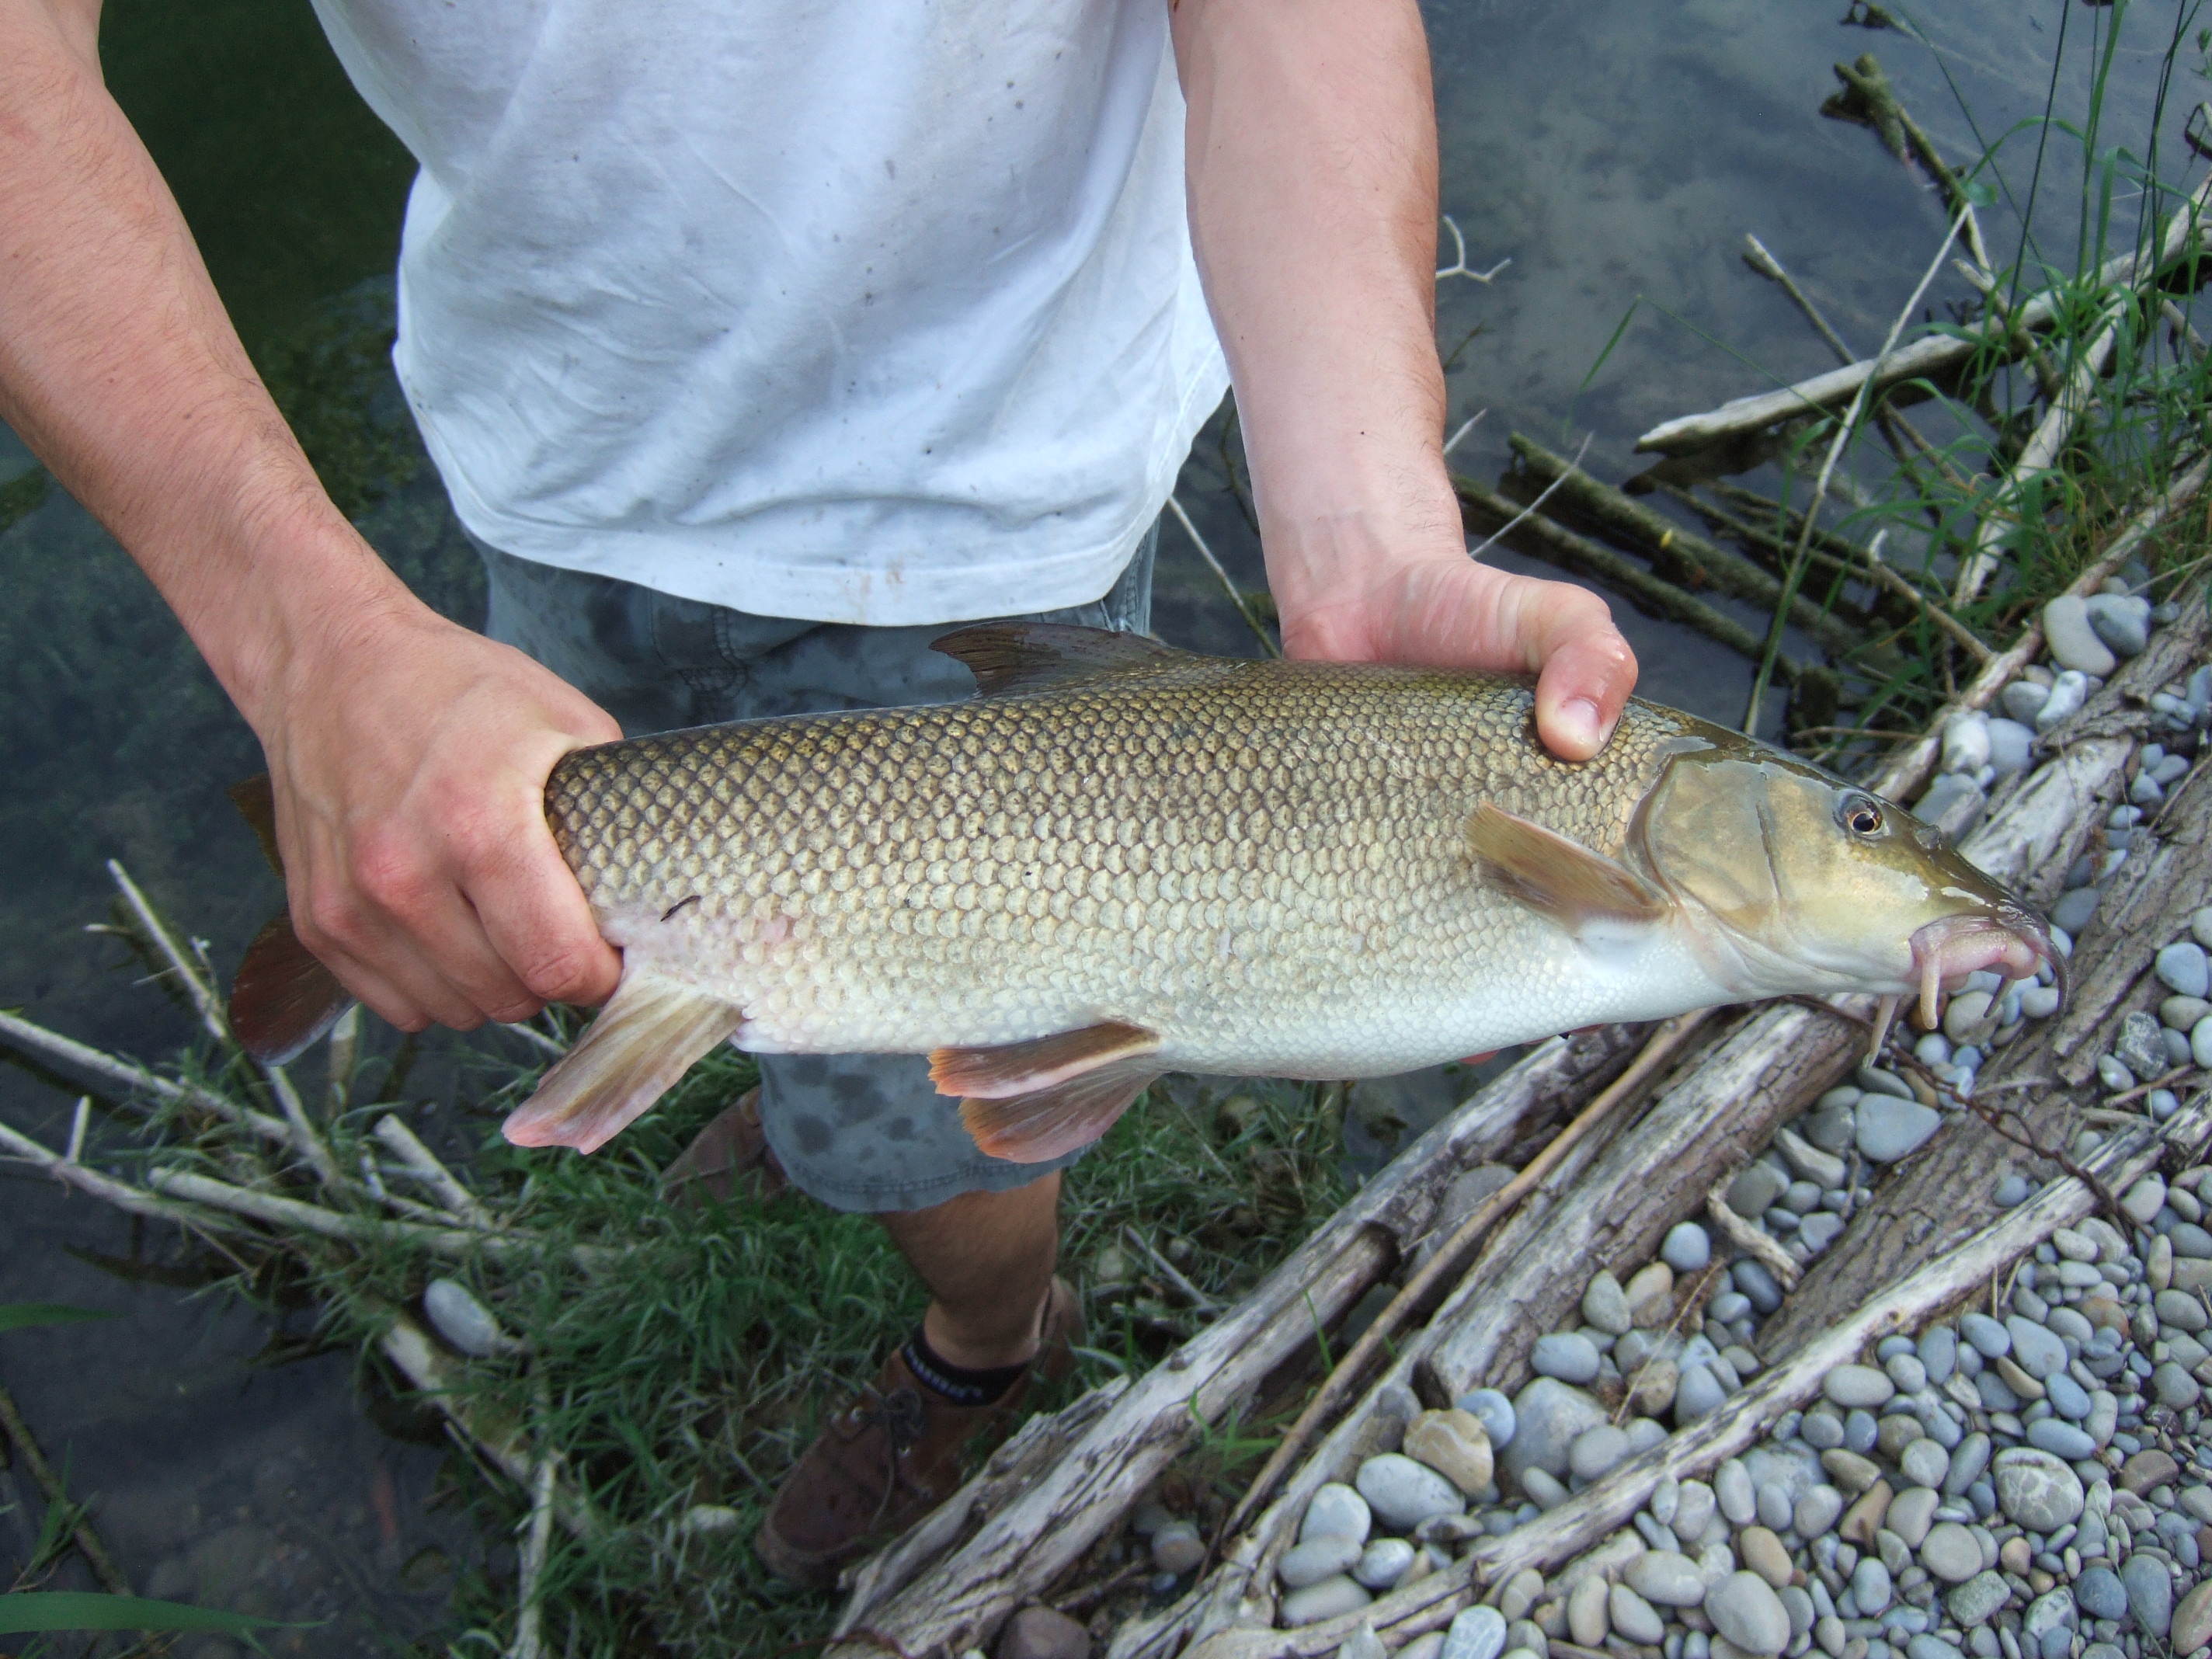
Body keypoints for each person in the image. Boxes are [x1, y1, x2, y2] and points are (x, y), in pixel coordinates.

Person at [0, 0, 1636, 1586]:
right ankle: (793, 1090)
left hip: (1005, 501)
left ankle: (991, 1343)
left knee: (927, 1140)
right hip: (560, 456)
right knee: (647, 921)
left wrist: (1368, 532)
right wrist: (313, 645)